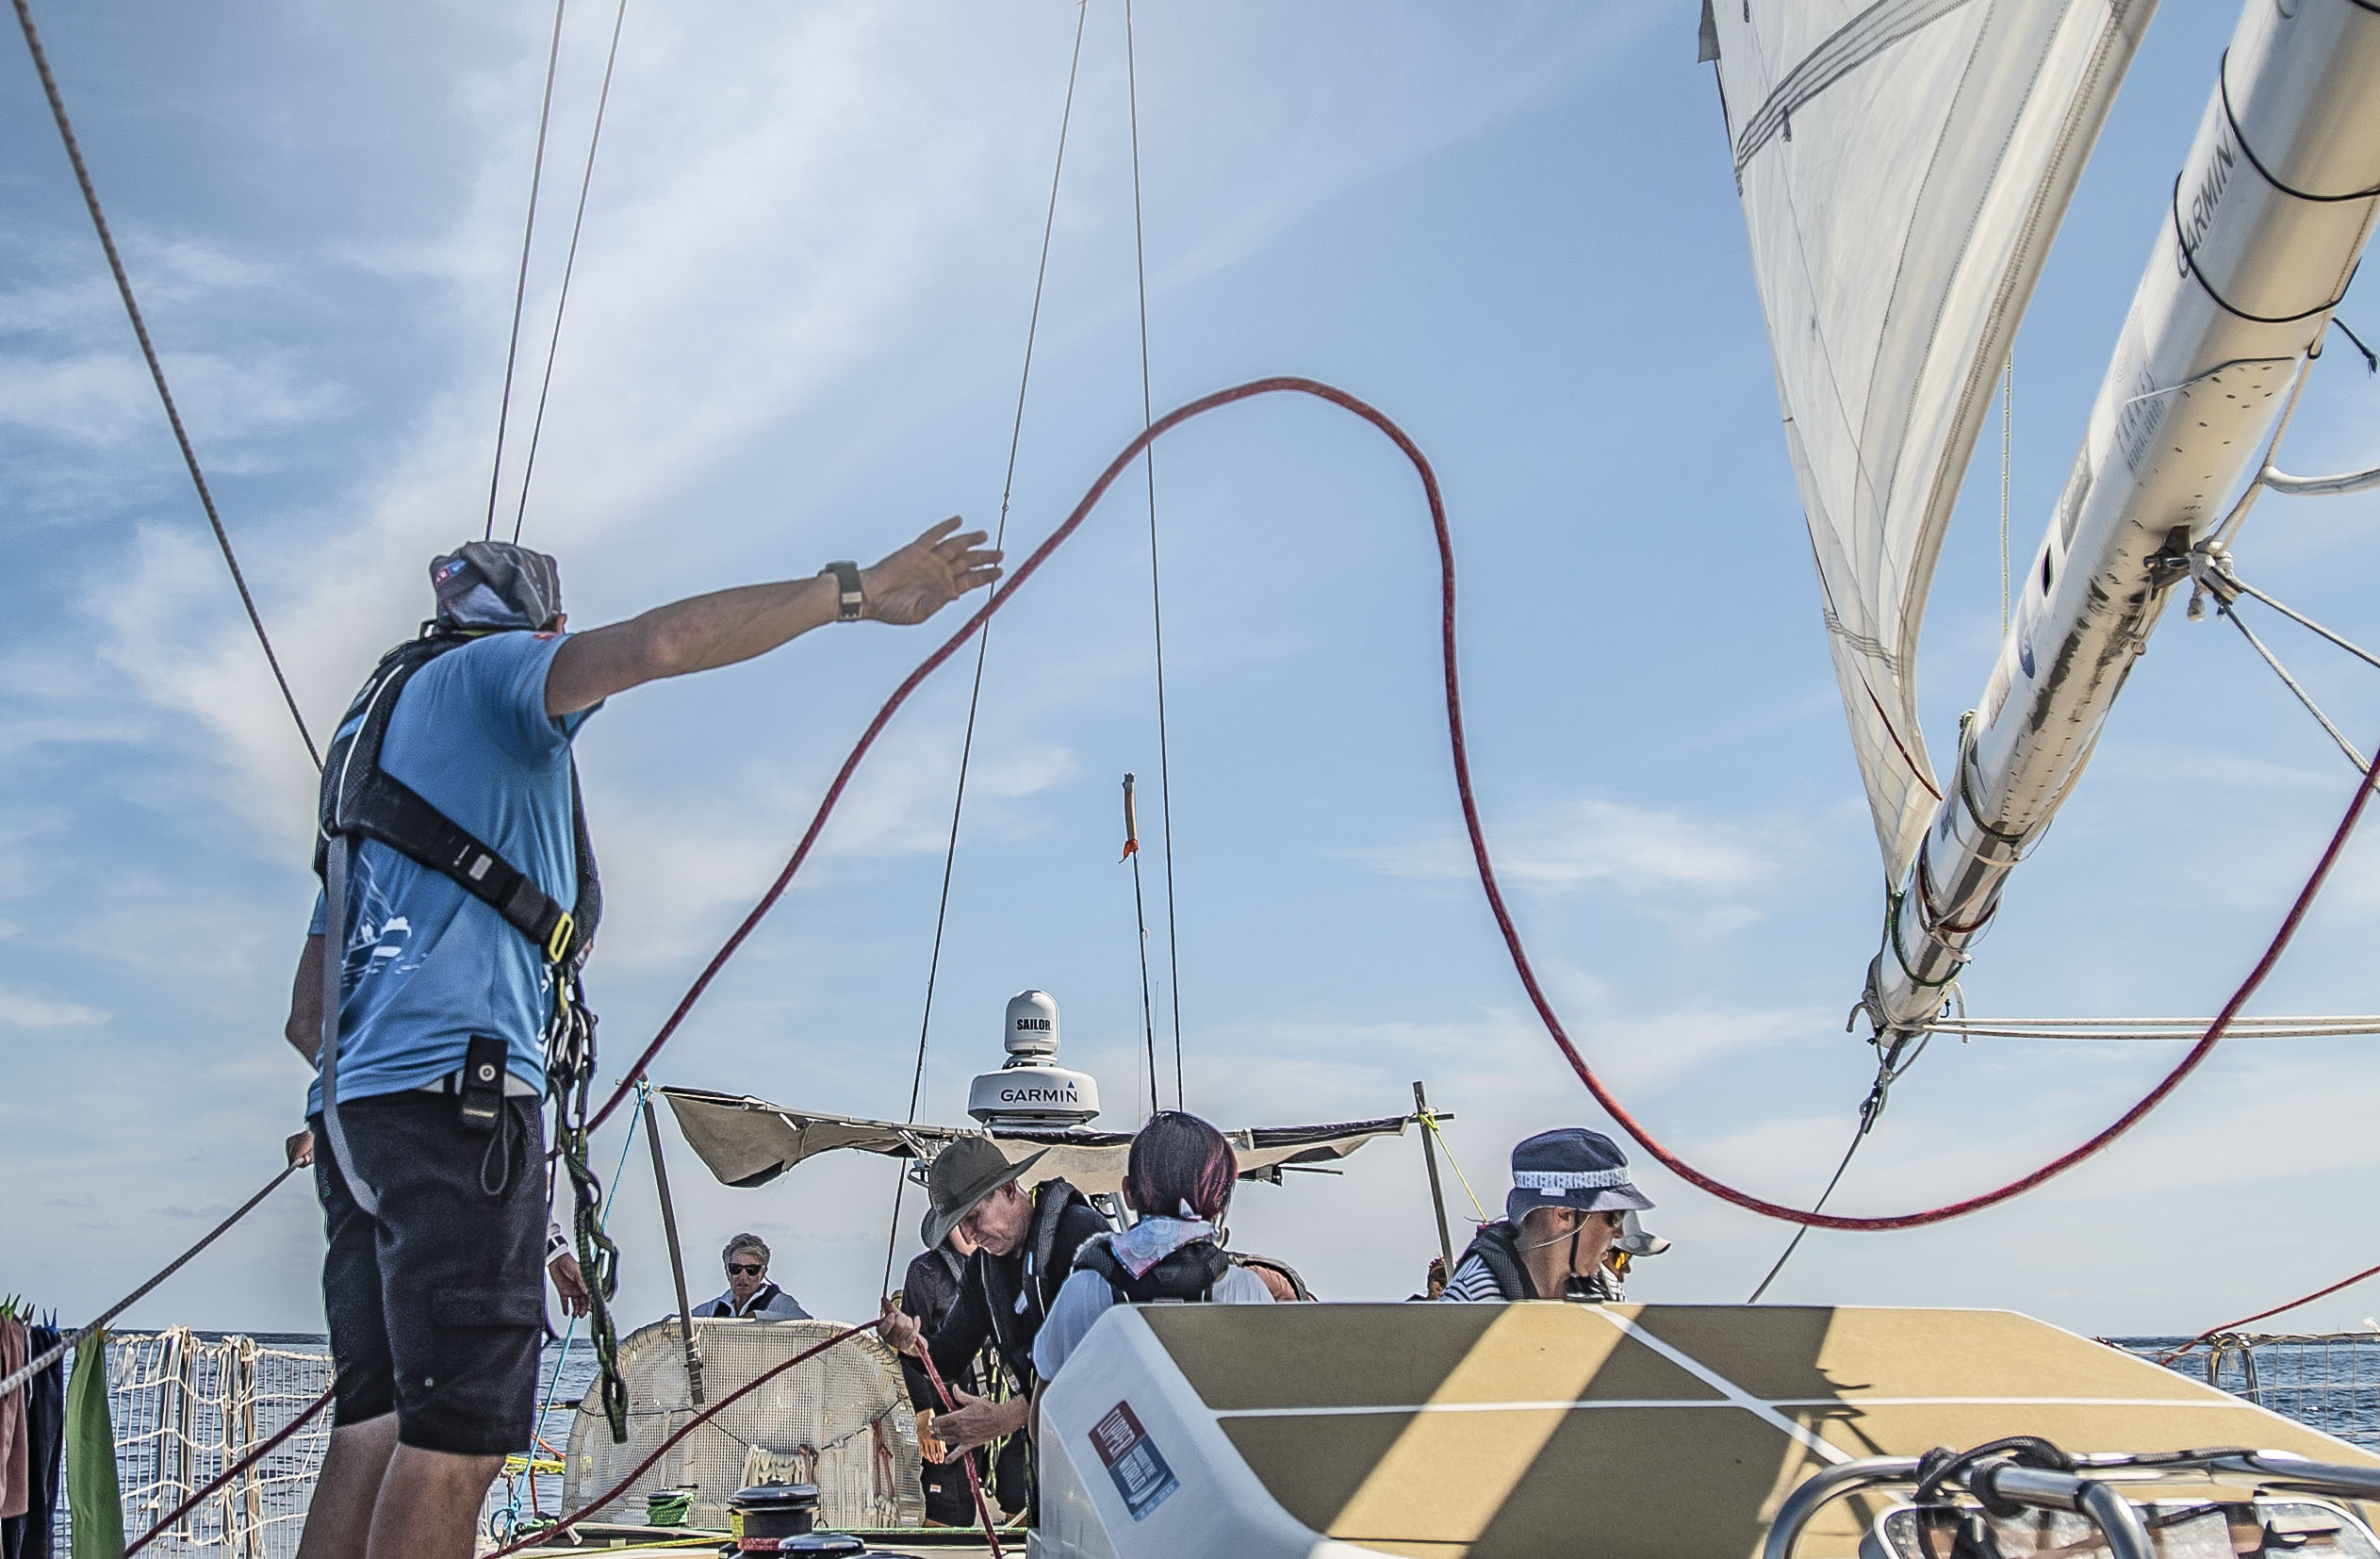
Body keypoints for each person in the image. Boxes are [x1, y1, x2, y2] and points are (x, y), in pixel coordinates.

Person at [282, 522, 998, 1559]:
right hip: (461, 1107)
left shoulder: (369, 751)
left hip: (355, 1127)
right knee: (456, 1447)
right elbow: (659, 645)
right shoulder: (498, 676)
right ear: (549, 629)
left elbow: (308, 1018)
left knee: (374, 1426)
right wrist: (857, 589)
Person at [874, 1138, 1106, 1503]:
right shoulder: (984, 1269)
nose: (968, 1235)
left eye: (972, 1218)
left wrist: (1007, 1417)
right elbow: (950, 1354)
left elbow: (1104, 1363)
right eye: (960, 1225)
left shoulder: (1081, 1233)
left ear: (1009, 1190)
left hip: (1102, 1454)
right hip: (1049, 1461)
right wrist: (911, 1345)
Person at [1031, 1112, 1273, 1381]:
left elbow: (1047, 1385)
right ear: (1218, 1202)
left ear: (1128, 1192)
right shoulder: (1243, 1289)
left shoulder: (1086, 1285)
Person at [895, 1224, 1023, 1525]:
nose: (968, 1229)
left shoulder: (1008, 1262)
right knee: (950, 1511)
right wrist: (924, 1415)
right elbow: (911, 1348)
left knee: (1020, 1499)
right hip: (950, 1413)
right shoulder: (925, 1271)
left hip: (1007, 1407)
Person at [1438, 1127, 1656, 1303]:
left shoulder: (1606, 1288)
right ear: (1564, 1216)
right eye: (1614, 1216)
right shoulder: (1474, 1294)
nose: (1619, 1233)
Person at [694, 1234, 811, 1320]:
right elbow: (685, 1322)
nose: (743, 1276)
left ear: (763, 1273)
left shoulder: (777, 1302)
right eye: (736, 1269)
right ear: (727, 1271)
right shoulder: (715, 1308)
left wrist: (758, 1317)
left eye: (751, 1270)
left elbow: (807, 1324)